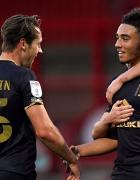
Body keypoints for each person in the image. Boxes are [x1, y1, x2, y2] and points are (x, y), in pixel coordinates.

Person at [70, 8, 140, 180]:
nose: (117, 44)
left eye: (125, 38)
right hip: (121, 173)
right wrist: (79, 151)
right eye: (117, 38)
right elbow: (116, 139)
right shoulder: (117, 85)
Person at [0, 14, 80, 180]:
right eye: (38, 44)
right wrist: (70, 158)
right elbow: (44, 131)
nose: (40, 50)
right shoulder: (24, 77)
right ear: (23, 44)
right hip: (14, 172)